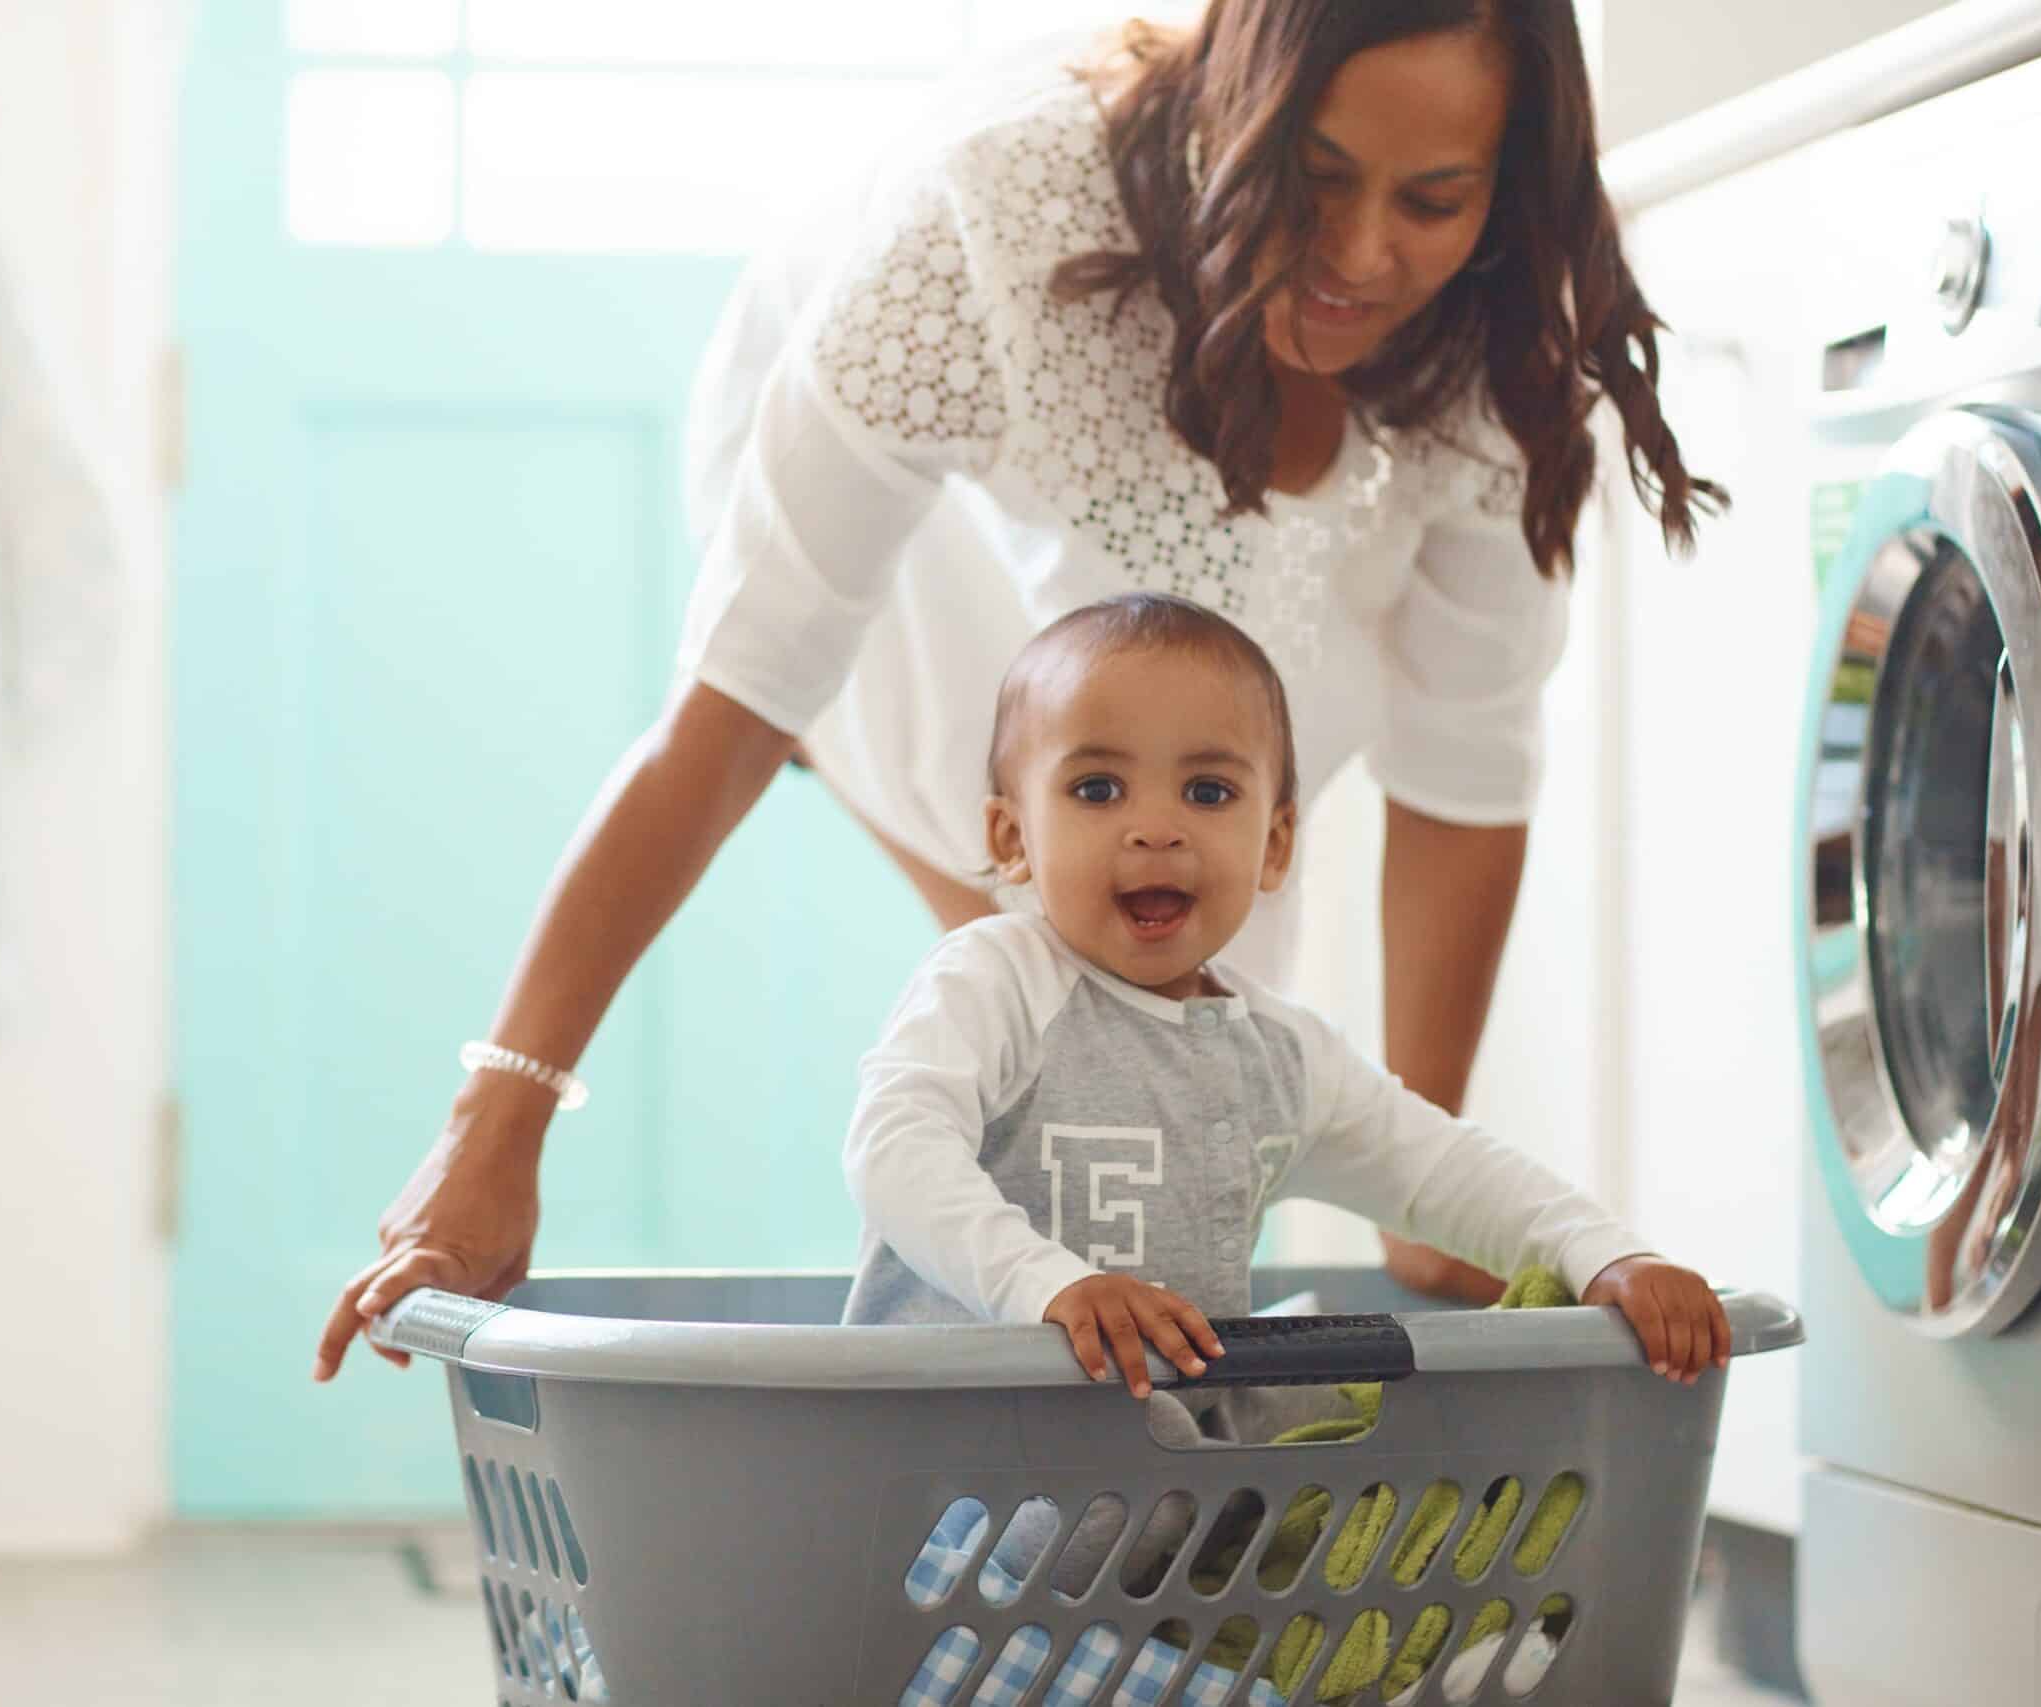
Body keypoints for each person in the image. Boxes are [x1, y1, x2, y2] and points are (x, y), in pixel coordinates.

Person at [315, 0, 1725, 1380]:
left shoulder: (1496, 322)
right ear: (1240, 112)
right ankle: (1001, 1405)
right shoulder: (987, 228)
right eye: (1317, 180)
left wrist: (1446, 1225)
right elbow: (728, 716)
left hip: (1187, 649)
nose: (1363, 251)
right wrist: (498, 1123)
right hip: (928, 543)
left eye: (1432, 197)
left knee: (1189, 1035)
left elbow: (1467, 770)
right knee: (1059, 991)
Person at [840, 592, 1729, 1400]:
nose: (1156, 827)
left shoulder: (1276, 1058)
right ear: (1012, 837)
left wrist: (1606, 1250)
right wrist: (1047, 1285)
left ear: (1274, 845)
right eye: (1097, 788)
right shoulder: (993, 981)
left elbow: (1444, 1170)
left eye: (1208, 791)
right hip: (941, 1493)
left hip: (1160, 1522)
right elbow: (895, 1152)